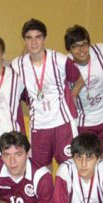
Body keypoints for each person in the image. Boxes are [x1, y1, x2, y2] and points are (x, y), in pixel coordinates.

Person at [12, 18, 84, 169]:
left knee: (68, 167)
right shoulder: (17, 64)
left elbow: (79, 80)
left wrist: (69, 99)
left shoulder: (60, 60)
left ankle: (65, 193)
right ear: (24, 40)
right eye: (29, 38)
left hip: (63, 124)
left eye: (38, 37)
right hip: (38, 126)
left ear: (44, 38)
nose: (34, 42)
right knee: (41, 170)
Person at [64, 25, 103, 161]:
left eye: (84, 44)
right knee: (86, 160)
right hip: (84, 121)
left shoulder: (102, 51)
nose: (81, 50)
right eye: (75, 46)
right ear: (69, 49)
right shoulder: (64, 64)